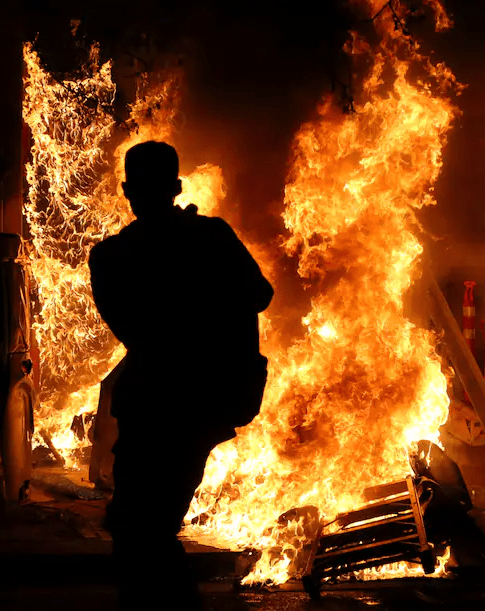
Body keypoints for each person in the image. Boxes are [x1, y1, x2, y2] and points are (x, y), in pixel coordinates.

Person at [89, 141, 273, 610]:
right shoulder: (212, 237)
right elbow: (260, 295)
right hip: (204, 402)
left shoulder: (111, 257)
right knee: (148, 526)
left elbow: (132, 330)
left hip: (155, 405)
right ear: (176, 187)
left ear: (127, 191)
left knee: (138, 528)